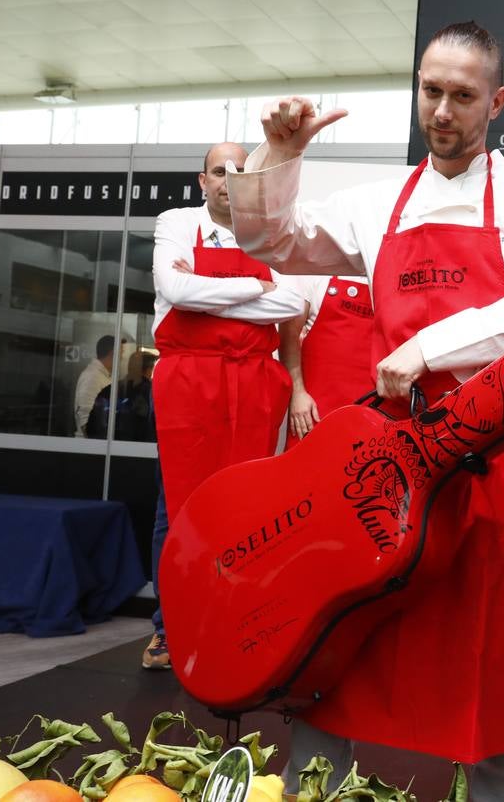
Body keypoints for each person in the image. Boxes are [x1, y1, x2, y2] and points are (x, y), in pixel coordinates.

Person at [227, 20, 504, 801]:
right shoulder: (381, 200)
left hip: (499, 467)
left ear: (498, 101)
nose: (443, 111)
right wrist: (281, 155)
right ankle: (311, 793)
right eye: (431, 91)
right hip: (390, 476)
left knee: (498, 662)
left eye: (463, 95)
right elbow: (274, 239)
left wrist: (431, 347)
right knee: (338, 641)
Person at [142, 142, 306, 671]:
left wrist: (206, 289)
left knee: (247, 508)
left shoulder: (269, 236)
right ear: (202, 180)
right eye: (220, 171)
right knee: (180, 507)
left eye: (239, 173)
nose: (228, 180)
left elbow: (292, 304)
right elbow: (174, 288)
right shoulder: (176, 222)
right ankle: (170, 629)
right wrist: (252, 288)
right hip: (188, 382)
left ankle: (236, 619)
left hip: (254, 384)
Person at [278, 274, 375, 450]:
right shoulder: (314, 272)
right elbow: (288, 336)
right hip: (313, 411)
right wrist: (297, 394)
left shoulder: (387, 276)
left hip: (374, 412)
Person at [73, 334, 117, 436]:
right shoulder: (92, 377)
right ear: (112, 354)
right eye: (121, 355)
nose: (122, 359)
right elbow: (84, 421)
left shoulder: (103, 375)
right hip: (90, 446)